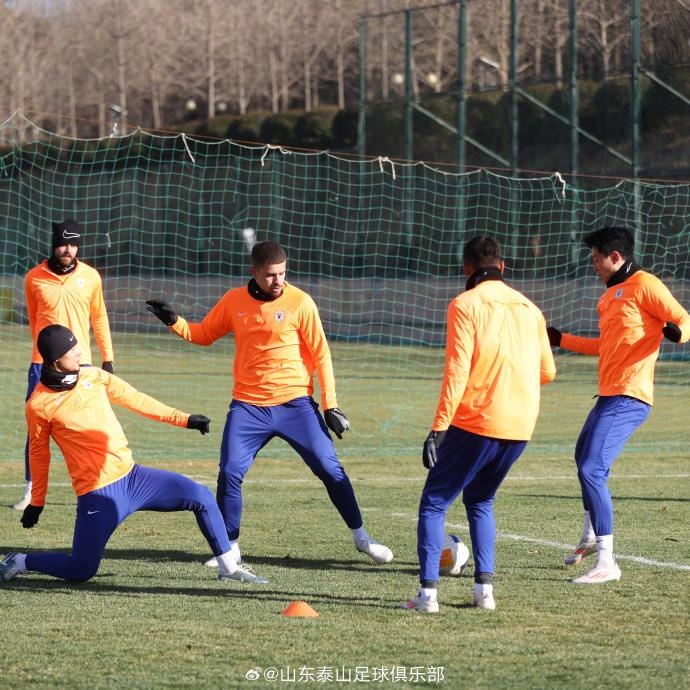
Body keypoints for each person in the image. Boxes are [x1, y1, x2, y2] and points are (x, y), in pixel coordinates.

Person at [145, 240, 393, 576]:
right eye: (271, 275)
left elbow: (321, 354)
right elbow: (203, 334)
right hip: (248, 407)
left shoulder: (301, 302)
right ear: (255, 272)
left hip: (296, 405)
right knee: (230, 471)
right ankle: (230, 549)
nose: (278, 281)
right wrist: (173, 320)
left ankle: (362, 538)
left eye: (282, 273)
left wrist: (331, 405)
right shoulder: (234, 301)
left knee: (330, 468)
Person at [0, 324, 267, 585]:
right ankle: (21, 561)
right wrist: (37, 501)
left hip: (134, 477)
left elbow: (136, 398)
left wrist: (184, 419)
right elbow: (39, 453)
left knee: (202, 496)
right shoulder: (39, 404)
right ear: (56, 360)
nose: (80, 352)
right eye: (72, 350)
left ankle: (229, 568)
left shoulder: (93, 376)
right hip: (99, 493)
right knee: (81, 570)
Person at [403, 236, 556, 613]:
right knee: (481, 499)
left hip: (477, 421)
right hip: (520, 426)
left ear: (467, 270)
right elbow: (547, 372)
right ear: (502, 267)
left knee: (434, 503)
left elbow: (457, 372)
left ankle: (428, 596)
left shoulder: (465, 304)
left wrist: (438, 428)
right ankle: (484, 592)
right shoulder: (530, 309)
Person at [547, 226, 690, 584]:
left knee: (592, 468)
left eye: (596, 258)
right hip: (609, 395)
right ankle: (591, 534)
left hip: (630, 395)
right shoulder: (608, 296)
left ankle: (607, 562)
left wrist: (678, 334)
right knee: (583, 458)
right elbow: (604, 346)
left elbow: (683, 319)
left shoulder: (646, 284)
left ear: (614, 256)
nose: (593, 265)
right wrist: (561, 339)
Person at [14, 219, 115, 511]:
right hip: (41, 366)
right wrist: (44, 354)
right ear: (54, 245)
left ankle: (97, 487)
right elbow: (35, 320)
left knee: (90, 426)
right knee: (37, 430)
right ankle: (31, 490)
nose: (68, 249)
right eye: (62, 244)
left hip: (82, 365)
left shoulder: (91, 277)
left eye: (73, 244)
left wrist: (108, 358)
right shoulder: (34, 277)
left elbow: (99, 317)